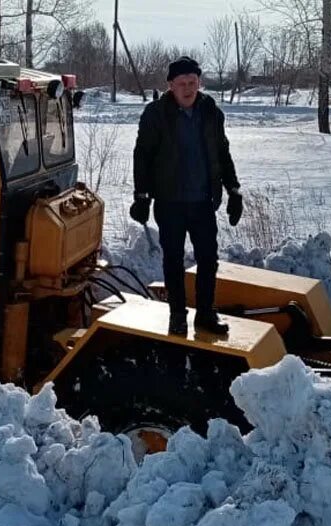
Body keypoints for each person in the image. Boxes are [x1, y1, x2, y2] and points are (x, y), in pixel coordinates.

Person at [130, 56, 242, 335]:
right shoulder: (156, 114)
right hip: (170, 202)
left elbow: (222, 153)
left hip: (203, 201)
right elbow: (142, 155)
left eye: (193, 82)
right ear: (171, 85)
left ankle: (205, 314)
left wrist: (234, 190)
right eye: (182, 83)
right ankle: (177, 314)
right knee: (173, 259)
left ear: (199, 82)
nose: (188, 88)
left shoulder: (210, 111)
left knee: (208, 259)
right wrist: (141, 195)